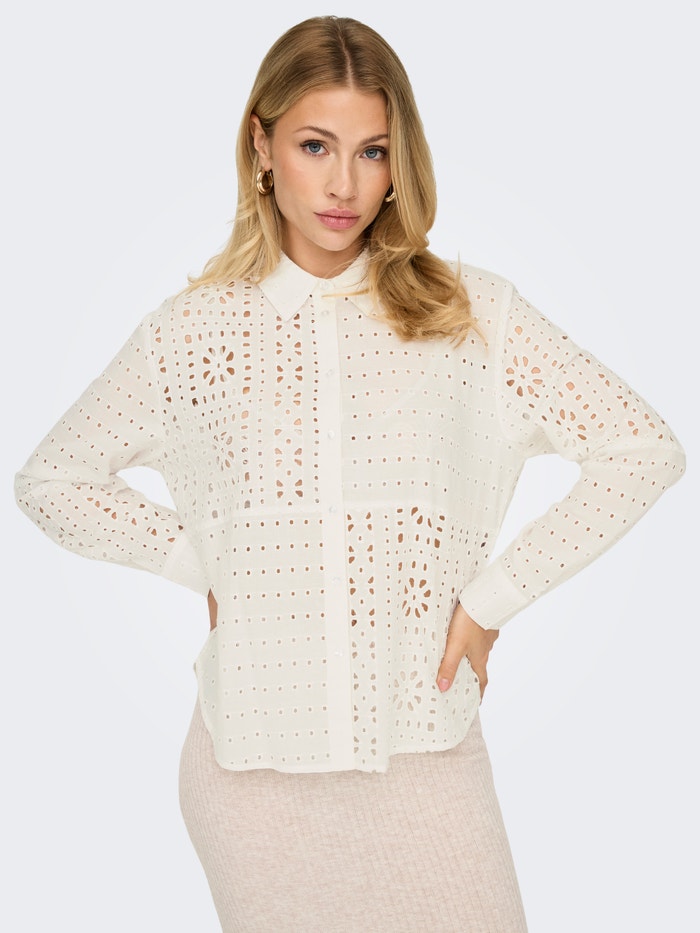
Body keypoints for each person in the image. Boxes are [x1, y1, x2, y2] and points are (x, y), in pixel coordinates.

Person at [14, 14, 685, 933]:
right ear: (261, 146)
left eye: (371, 151)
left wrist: (492, 598)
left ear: (398, 160)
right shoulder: (190, 334)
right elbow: (52, 479)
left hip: (425, 756)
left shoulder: (472, 316)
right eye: (314, 146)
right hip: (251, 780)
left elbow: (642, 448)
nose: (343, 184)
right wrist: (205, 560)